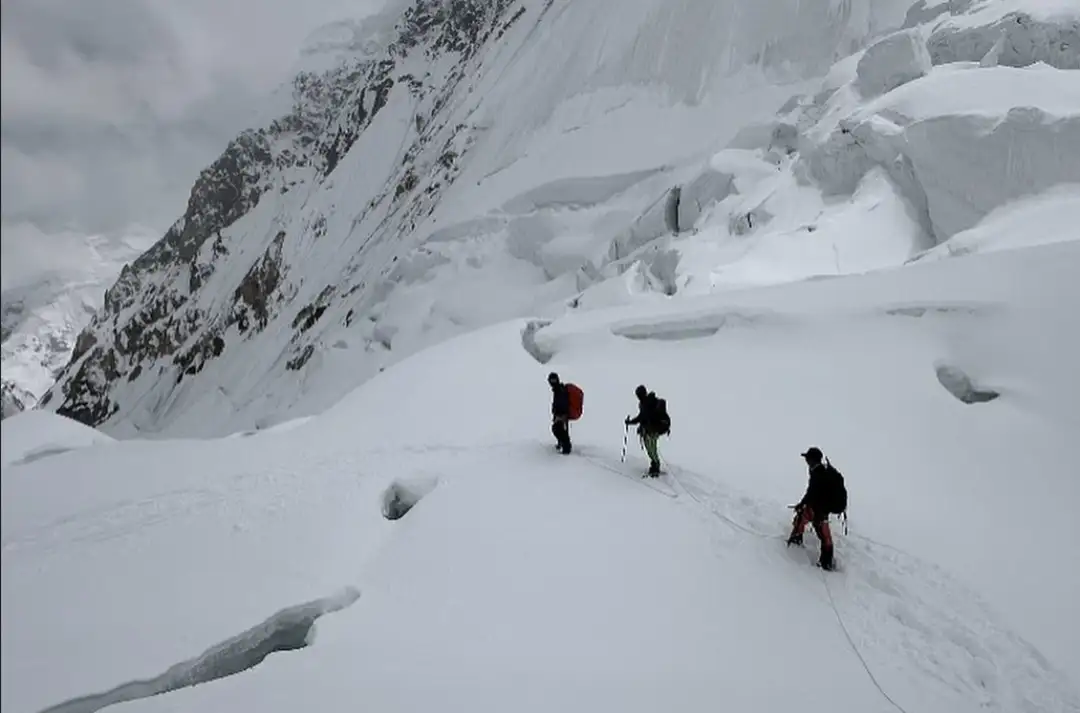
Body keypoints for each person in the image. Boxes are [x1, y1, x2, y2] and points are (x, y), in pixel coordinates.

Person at [786, 447, 839, 571]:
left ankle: (796, 542)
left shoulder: (818, 474)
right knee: (823, 534)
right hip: (822, 509)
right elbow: (812, 492)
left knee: (804, 521)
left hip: (818, 508)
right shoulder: (820, 472)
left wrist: (803, 504)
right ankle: (826, 561)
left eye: (807, 458)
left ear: (812, 460)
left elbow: (812, 492)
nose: (806, 461)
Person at [625, 385, 666, 477]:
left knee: (652, 448)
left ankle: (656, 465)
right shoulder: (644, 404)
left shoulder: (648, 403)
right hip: (650, 429)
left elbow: (642, 417)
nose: (638, 397)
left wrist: (631, 422)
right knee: (650, 448)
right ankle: (654, 464)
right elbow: (641, 417)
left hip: (653, 429)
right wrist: (631, 422)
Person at [548, 372, 572, 455]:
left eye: (554, 380)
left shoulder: (559, 389)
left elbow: (561, 402)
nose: (552, 382)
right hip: (561, 413)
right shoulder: (557, 389)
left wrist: (559, 414)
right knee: (560, 429)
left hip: (562, 414)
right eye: (551, 380)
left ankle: (566, 448)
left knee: (557, 429)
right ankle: (561, 444)